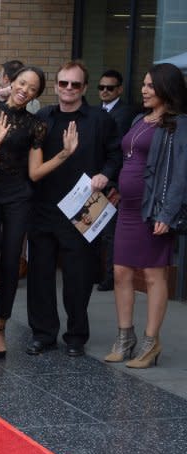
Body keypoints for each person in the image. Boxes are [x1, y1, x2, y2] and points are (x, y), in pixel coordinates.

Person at [27, 60, 122, 357]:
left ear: (85, 87)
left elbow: (115, 154)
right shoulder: (43, 117)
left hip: (82, 211)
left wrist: (106, 174)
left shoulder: (100, 120)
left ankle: (76, 337)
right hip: (43, 209)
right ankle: (43, 335)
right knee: (40, 277)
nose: (69, 89)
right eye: (64, 83)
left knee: (78, 279)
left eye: (76, 84)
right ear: (56, 86)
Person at [0, 66, 60, 359]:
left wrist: (64, 154)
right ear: (11, 82)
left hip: (18, 197)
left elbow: (35, 173)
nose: (25, 90)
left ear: (36, 94)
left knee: (12, 260)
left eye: (33, 88)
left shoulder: (36, 125)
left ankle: (0, 328)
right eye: (22, 83)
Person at [105, 63, 187, 369]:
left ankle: (151, 343)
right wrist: (118, 188)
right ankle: (125, 338)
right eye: (144, 84)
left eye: (151, 85)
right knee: (121, 273)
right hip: (126, 207)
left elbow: (181, 174)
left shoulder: (177, 124)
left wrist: (168, 212)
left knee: (153, 276)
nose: (144, 89)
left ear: (166, 88)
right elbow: (129, 160)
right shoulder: (140, 119)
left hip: (154, 210)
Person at [96, 68, 137, 291]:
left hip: (114, 180)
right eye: (101, 87)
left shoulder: (127, 113)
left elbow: (123, 151)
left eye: (109, 88)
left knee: (110, 233)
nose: (104, 91)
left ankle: (109, 276)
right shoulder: (95, 111)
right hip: (94, 179)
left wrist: (117, 183)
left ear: (119, 89)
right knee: (92, 229)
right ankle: (95, 272)